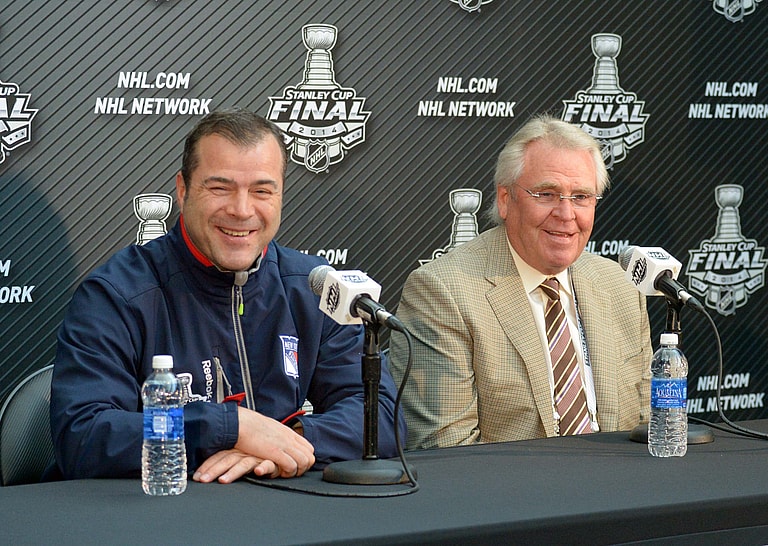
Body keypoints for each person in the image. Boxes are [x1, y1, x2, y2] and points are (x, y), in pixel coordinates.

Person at [51, 109, 404, 483]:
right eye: (220, 188)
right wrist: (229, 428)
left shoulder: (313, 288)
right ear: (183, 190)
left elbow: (382, 415)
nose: (241, 209)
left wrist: (287, 443)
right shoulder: (119, 294)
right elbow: (83, 435)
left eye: (262, 191)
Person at [389, 114, 651, 450]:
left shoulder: (620, 285)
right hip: (512, 498)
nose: (566, 213)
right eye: (546, 194)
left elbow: (647, 427)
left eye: (581, 197)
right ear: (504, 199)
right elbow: (447, 451)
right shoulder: (442, 292)